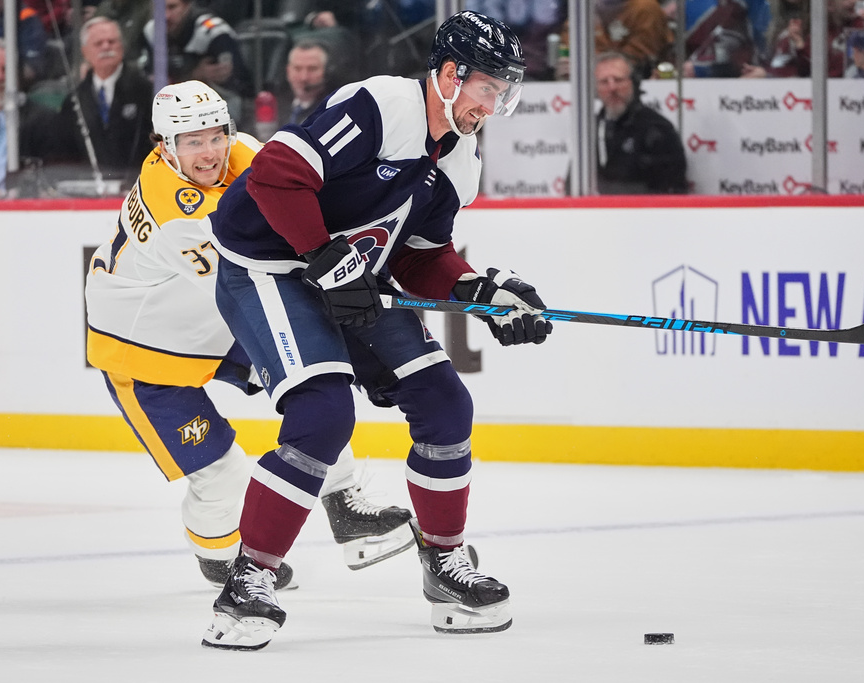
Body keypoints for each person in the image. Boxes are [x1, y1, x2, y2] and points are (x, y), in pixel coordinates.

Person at [202, 10, 551, 651]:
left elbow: (420, 254)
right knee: (323, 414)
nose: (493, 105)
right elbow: (279, 172)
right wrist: (324, 257)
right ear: (450, 75)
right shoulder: (383, 105)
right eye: (487, 89)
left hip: (344, 273)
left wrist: (480, 292)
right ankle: (248, 580)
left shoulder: (460, 159)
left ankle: (444, 562)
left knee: (446, 404)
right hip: (269, 264)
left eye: (503, 93)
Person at [85, 80, 416, 591]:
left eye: (216, 135)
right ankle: (219, 559)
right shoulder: (176, 214)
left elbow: (297, 194)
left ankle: (344, 504)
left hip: (206, 313)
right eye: (192, 141)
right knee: (221, 473)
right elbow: (258, 262)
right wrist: (336, 273)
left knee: (314, 386)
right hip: (142, 345)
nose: (210, 151)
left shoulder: (239, 151)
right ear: (163, 146)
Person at [56, 16, 153, 183]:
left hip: (140, 187)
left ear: (122, 46)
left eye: (112, 41)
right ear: (85, 51)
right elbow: (68, 152)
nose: (106, 47)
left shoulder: (145, 91)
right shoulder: (74, 100)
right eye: (98, 43)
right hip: (92, 192)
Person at [0, 38, 59, 199]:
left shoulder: (42, 119)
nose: (0, 77)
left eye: (5, 70)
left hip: (11, 212)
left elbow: (49, 183)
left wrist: (3, 195)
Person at [593, 51, 687, 194]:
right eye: (604, 82)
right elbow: (573, 183)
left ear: (633, 83)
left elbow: (671, 188)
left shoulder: (656, 128)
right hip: (594, 213)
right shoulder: (590, 128)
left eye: (618, 80)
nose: (612, 88)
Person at [139, 0, 253, 105]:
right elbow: (148, 79)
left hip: (211, 105)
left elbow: (237, 84)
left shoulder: (212, 32)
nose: (165, 16)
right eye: (159, 9)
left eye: (172, 7)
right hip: (167, 105)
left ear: (187, 6)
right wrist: (195, 75)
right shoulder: (151, 31)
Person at [594, 0, 674, 79]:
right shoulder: (590, 9)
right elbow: (593, 49)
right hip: (600, 73)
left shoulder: (645, 6)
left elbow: (642, 49)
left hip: (642, 75)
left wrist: (613, 66)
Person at [282, 39, 332, 126]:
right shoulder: (275, 105)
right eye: (297, 69)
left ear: (326, 72)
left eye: (312, 69)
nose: (303, 78)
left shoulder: (331, 110)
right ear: (288, 71)